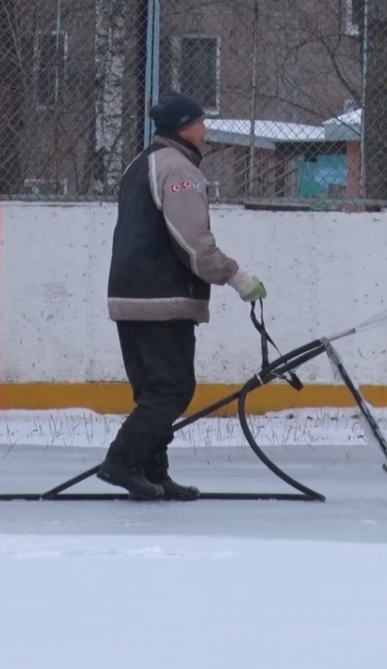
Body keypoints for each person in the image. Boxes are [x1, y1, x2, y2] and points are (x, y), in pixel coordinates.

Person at [98, 91, 267, 501]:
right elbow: (194, 245)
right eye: (200, 121)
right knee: (172, 391)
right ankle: (122, 461)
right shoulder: (179, 170)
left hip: (130, 296)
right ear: (183, 127)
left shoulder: (141, 164)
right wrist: (237, 276)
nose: (206, 128)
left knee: (154, 392)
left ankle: (152, 472)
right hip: (163, 300)